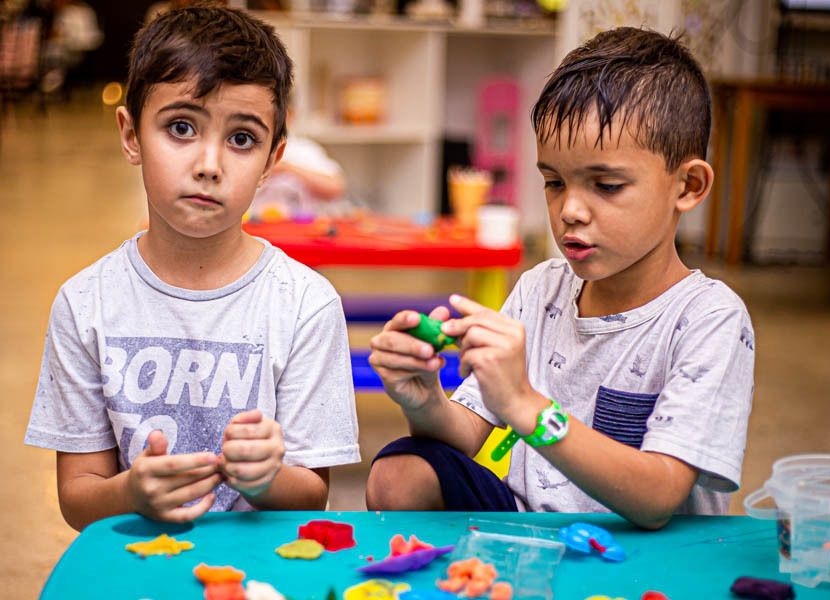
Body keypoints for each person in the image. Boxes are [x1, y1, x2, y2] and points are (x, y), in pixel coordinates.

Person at [366, 27, 755, 529]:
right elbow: (480, 434)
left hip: (643, 551)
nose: (569, 209)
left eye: (606, 185)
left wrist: (528, 406)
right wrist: (426, 401)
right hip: (530, 530)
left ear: (688, 186)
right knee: (399, 472)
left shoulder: (708, 319)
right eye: (554, 182)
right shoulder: (540, 289)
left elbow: (659, 496)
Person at [24, 5, 360, 531]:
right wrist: (131, 492)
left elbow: (312, 493)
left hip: (256, 573)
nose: (209, 164)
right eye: (181, 127)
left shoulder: (305, 304)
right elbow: (77, 497)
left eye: (242, 138)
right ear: (131, 135)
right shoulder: (85, 302)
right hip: (132, 564)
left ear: (274, 158)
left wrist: (267, 477)